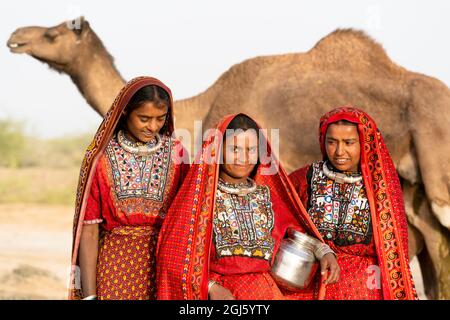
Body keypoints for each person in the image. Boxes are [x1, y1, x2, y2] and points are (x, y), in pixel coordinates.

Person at [157, 113, 339, 300]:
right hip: (222, 296)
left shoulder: (268, 196)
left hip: (266, 293)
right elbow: (173, 256)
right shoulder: (199, 200)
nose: (243, 158)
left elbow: (295, 232)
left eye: (251, 150)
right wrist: (209, 286)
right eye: (234, 149)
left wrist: (324, 251)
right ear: (217, 149)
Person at [68, 76, 189, 300]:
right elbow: (89, 230)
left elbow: (188, 220)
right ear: (125, 112)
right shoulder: (101, 158)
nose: (153, 127)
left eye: (160, 119)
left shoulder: (177, 153)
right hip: (114, 271)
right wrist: (90, 296)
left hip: (163, 266)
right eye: (144, 118)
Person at [289, 106, 417, 300]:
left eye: (349, 142)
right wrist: (319, 249)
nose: (340, 151)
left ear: (364, 143)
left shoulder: (382, 188)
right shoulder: (303, 179)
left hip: (364, 290)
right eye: (332, 142)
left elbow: (394, 253)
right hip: (310, 287)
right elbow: (283, 223)